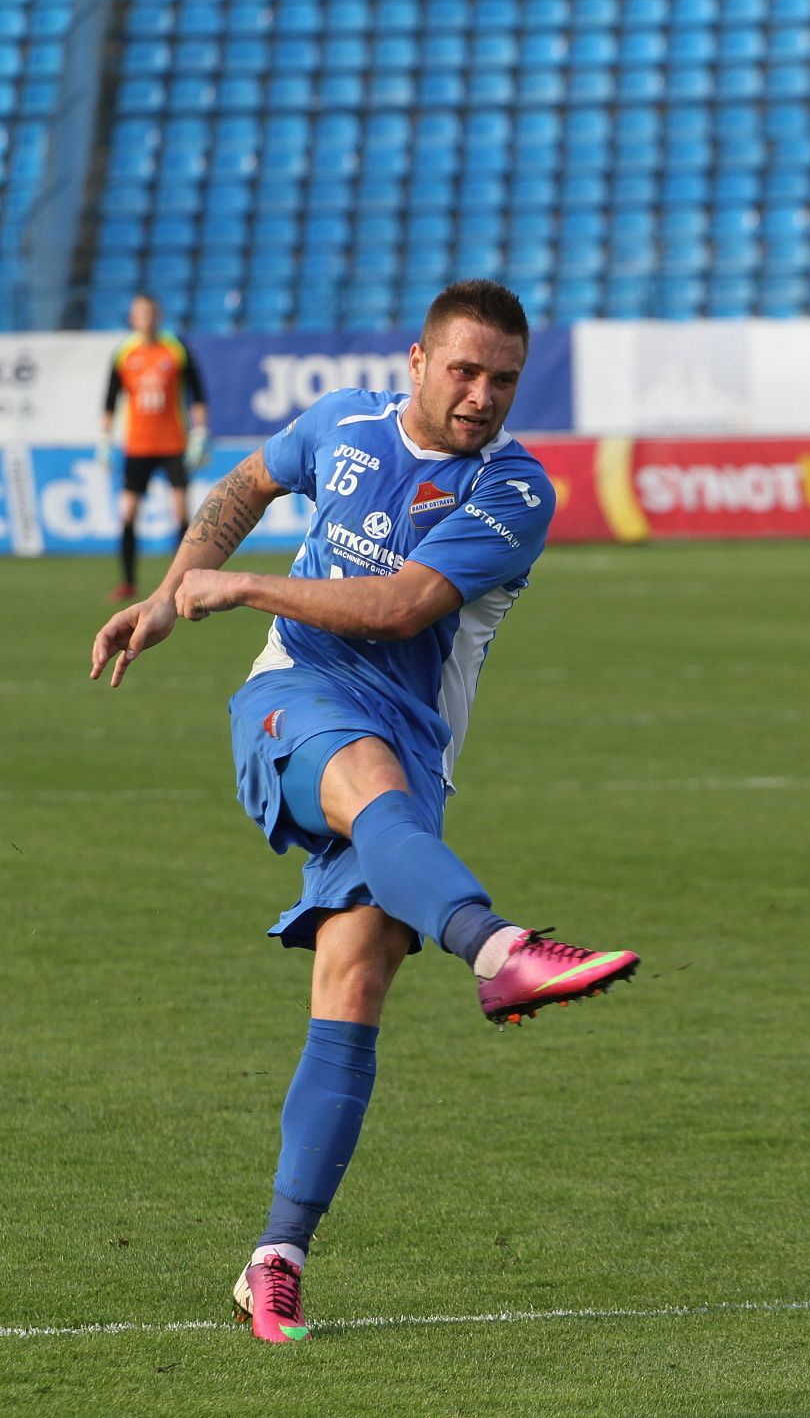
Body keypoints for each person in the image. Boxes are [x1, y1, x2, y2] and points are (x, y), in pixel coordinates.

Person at [90, 280, 641, 1344]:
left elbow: (399, 609)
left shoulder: (515, 490)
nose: (483, 396)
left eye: (504, 380)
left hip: (409, 746)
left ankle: (275, 1257)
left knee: (355, 977)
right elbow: (246, 483)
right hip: (292, 699)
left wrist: (239, 587)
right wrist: (172, 593)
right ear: (418, 362)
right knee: (368, 790)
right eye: (465, 371)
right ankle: (498, 947)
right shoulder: (341, 421)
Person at [99, 293, 210, 600]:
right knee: (128, 513)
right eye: (139, 313)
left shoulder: (176, 349)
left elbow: (197, 395)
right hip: (137, 446)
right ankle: (128, 581)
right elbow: (110, 400)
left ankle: (183, 581)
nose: (145, 318)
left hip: (173, 443)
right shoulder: (124, 353)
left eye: (149, 312)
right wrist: (105, 440)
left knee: (180, 512)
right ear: (133, 318)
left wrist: (200, 432)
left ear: (157, 316)